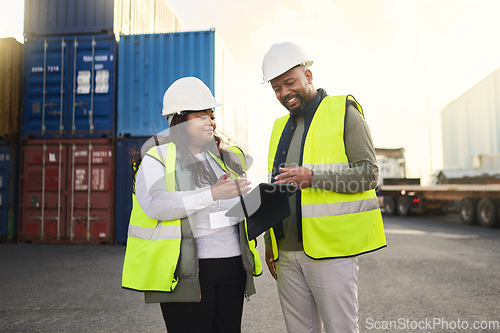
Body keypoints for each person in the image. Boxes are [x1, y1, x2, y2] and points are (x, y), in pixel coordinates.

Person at [262, 42, 387, 333]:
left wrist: (314, 177)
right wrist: (270, 244)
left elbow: (368, 175)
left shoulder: (343, 111)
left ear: (308, 75)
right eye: (277, 88)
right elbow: (276, 187)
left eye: (290, 82)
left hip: (331, 251)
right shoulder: (279, 126)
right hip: (286, 254)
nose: (284, 93)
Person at [122, 77, 262, 333]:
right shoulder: (157, 158)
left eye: (211, 115)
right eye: (202, 116)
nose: (211, 122)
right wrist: (211, 193)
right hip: (188, 272)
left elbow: (230, 211)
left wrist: (258, 206)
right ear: (180, 121)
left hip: (232, 266)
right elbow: (156, 204)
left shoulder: (223, 157)